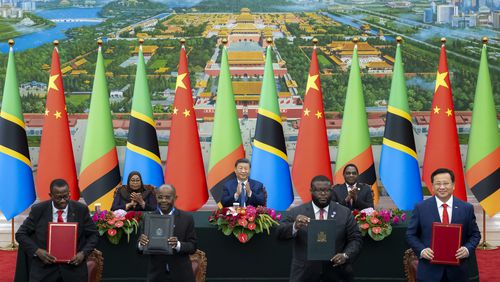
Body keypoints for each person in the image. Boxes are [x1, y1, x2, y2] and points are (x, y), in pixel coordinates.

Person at [277, 175, 363, 282]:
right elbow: (280, 232)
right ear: (311, 191)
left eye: (327, 190)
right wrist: (295, 226)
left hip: (336, 273)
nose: (323, 194)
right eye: (319, 190)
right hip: (304, 273)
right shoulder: (297, 212)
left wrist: (345, 255)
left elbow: (356, 239)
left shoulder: (344, 213)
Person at [406, 168, 481, 282]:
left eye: (446, 183)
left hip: (458, 272)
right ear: (432, 186)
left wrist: (467, 249)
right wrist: (422, 250)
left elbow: (475, 235)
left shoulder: (466, 208)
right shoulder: (420, 208)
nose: (442, 187)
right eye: (438, 184)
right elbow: (410, 235)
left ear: (453, 185)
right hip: (429, 271)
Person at [15, 179, 98, 282]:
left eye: (66, 196)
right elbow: (20, 234)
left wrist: (83, 253)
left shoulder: (80, 209)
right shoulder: (39, 210)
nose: (63, 200)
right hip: (44, 267)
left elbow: (94, 235)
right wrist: (37, 251)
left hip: (74, 268)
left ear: (69, 193)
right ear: (51, 195)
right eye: (59, 197)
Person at [138, 184, 197, 282]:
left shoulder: (187, 218)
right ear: (156, 197)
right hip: (156, 276)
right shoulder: (148, 218)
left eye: (167, 197)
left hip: (182, 276)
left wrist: (177, 245)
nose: (163, 201)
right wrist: (141, 244)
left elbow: (193, 246)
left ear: (175, 198)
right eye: (160, 197)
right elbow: (138, 250)